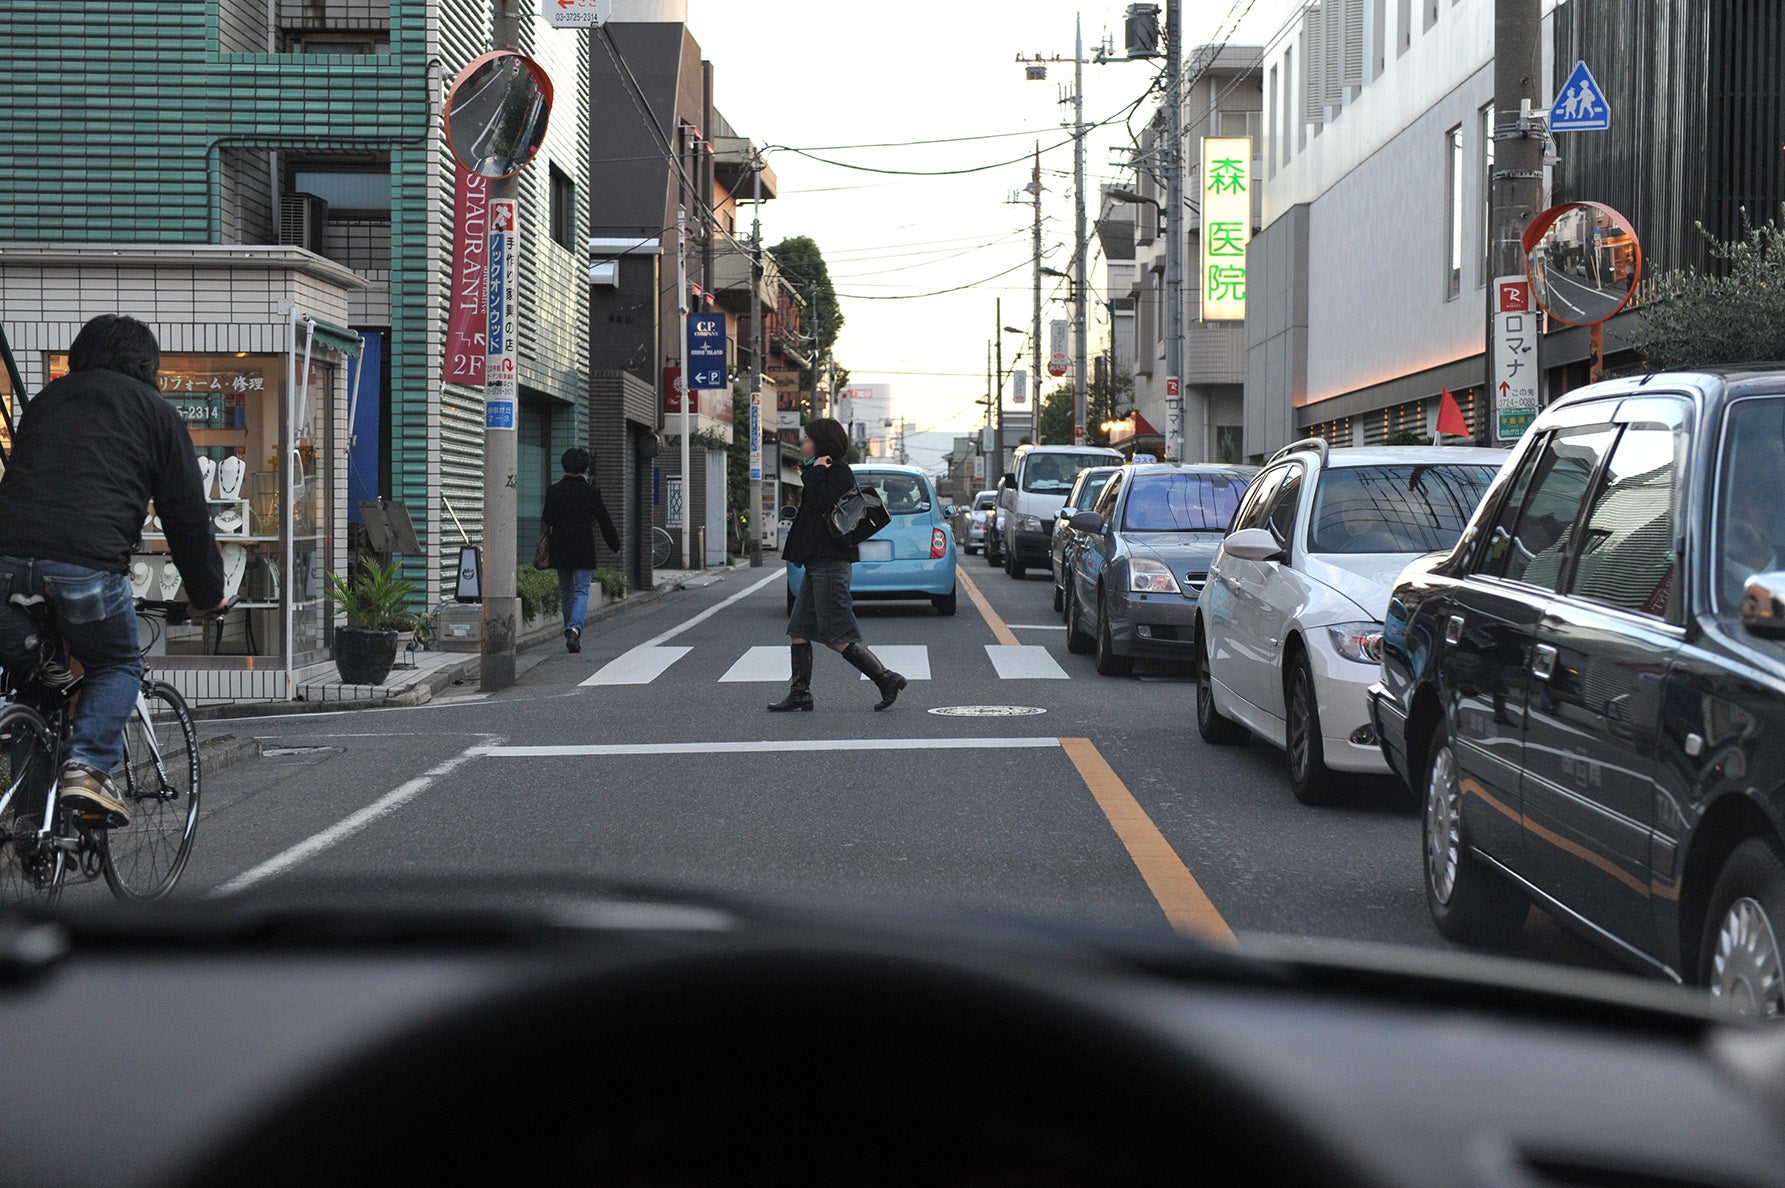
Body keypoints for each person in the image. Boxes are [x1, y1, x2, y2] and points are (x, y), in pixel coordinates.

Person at [0, 314, 227, 827]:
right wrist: (208, 594)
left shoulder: (46, 403)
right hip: (85, 569)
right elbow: (187, 518)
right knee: (117, 665)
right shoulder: (156, 413)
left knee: (39, 683)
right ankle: (87, 769)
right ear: (148, 364)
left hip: (5, 564)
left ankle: (30, 824)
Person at [769, 418, 907, 713]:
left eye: (807, 439)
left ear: (821, 443)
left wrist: (818, 469)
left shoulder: (839, 472)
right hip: (817, 563)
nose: (803, 443)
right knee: (800, 628)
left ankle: (886, 679)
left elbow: (823, 500)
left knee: (836, 636)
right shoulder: (818, 472)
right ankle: (800, 694)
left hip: (831, 564)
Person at [540, 447, 620, 653]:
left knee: (566, 591)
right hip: (583, 546)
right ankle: (574, 629)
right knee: (582, 589)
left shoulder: (553, 490)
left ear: (564, 466)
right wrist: (614, 545)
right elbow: (604, 520)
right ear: (585, 468)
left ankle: (570, 629)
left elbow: (547, 518)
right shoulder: (591, 492)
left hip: (560, 546)